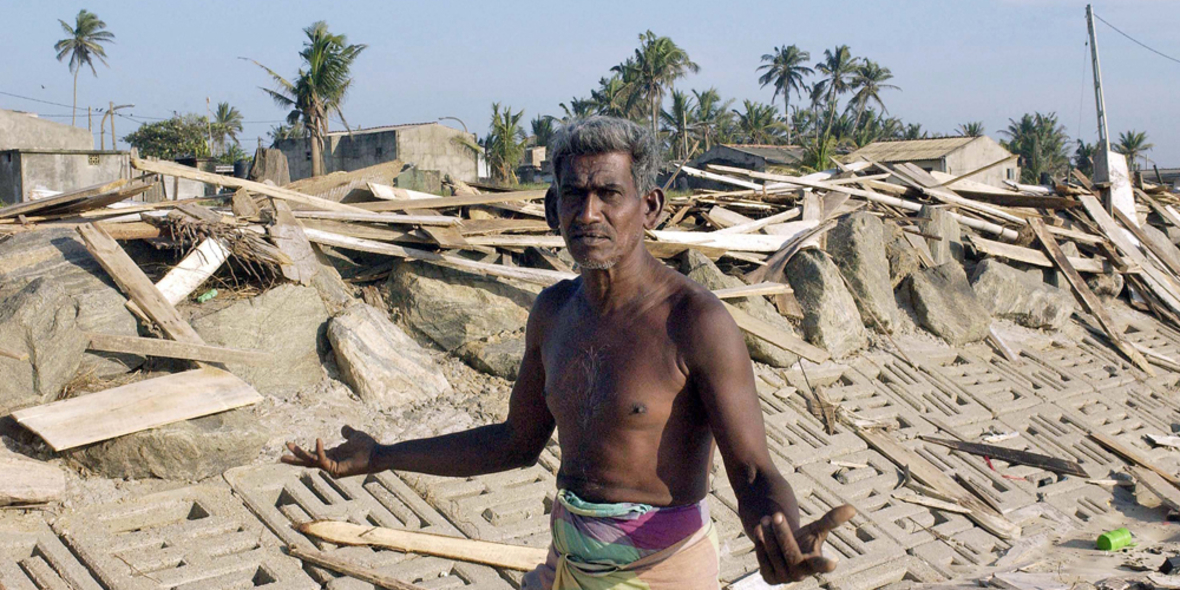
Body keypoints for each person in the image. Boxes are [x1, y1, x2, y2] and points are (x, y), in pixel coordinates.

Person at [283, 116, 855, 589]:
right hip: (570, 558)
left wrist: (779, 528)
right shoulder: (554, 312)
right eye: (574, 196)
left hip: (661, 572)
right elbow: (515, 442)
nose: (589, 214)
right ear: (551, 207)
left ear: (649, 206)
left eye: (609, 194)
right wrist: (383, 455)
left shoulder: (695, 321)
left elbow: (753, 469)